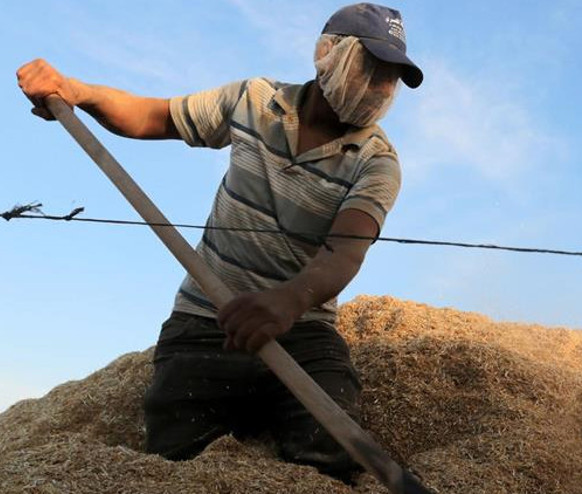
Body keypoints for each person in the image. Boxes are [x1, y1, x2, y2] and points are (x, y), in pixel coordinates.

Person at [16, 2, 423, 483]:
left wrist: (287, 302)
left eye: (389, 78)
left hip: (303, 328)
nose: (378, 88)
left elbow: (345, 250)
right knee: (177, 447)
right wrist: (78, 92)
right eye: (369, 67)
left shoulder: (377, 163)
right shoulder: (255, 100)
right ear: (327, 53)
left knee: (331, 446)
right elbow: (152, 117)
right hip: (207, 317)